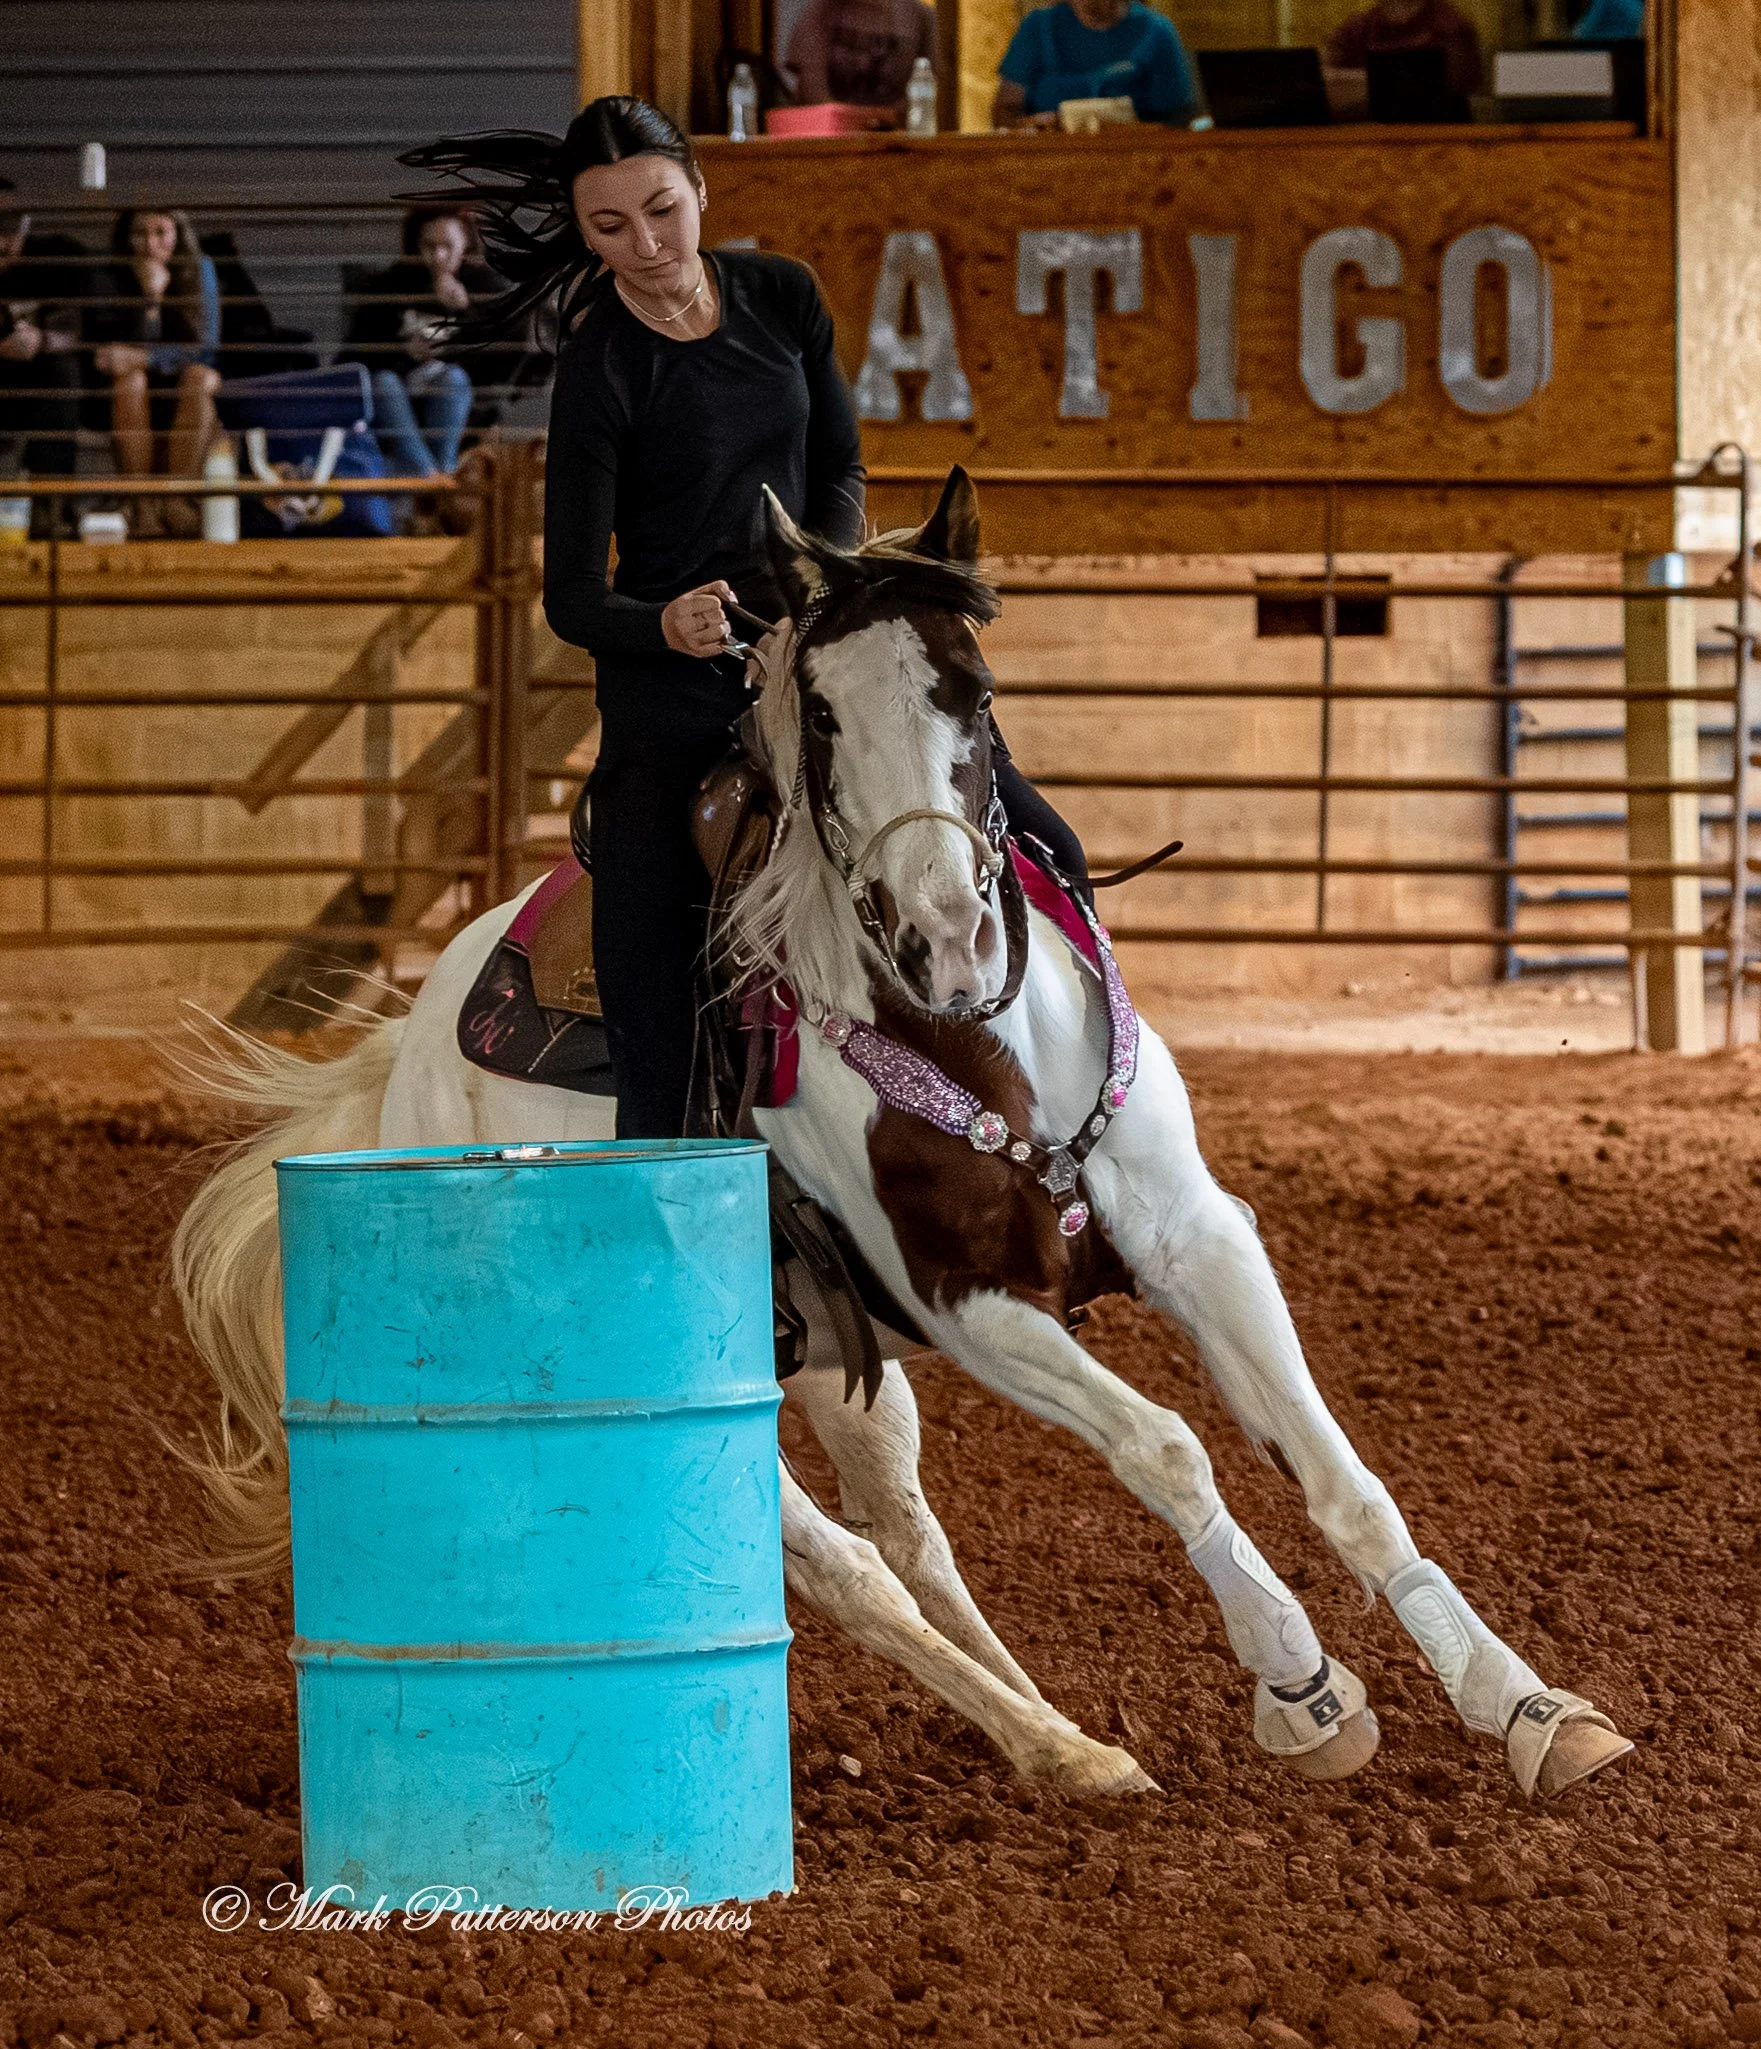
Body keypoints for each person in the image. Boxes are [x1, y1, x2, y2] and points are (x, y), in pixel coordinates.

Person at [401, 96, 1089, 1140]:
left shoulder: (781, 295)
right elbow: (574, 598)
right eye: (609, 228)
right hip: (675, 691)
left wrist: (824, 589)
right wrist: (664, 623)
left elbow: (842, 465)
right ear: (585, 233)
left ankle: (1100, 1104)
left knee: (1052, 840)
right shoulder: (598, 365)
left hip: (822, 644)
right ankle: (663, 1175)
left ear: (701, 191)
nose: (647, 246)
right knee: (653, 982)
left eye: (662, 210)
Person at [337, 207, 511, 478]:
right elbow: (354, 355)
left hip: (454, 392)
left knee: (452, 379)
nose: (439, 256)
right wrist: (404, 353)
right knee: (384, 382)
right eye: (430, 246)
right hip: (399, 389)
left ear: (464, 245)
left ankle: (437, 471)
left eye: (447, 246)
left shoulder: (483, 285)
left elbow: (503, 356)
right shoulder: (392, 284)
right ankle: (433, 477)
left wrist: (466, 311)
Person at [92, 208, 221, 529]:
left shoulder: (199, 269)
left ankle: (177, 499)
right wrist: (151, 300)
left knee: (200, 377)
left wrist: (146, 358)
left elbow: (204, 348)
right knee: (130, 380)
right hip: (131, 393)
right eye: (140, 234)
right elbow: (110, 354)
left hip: (184, 384)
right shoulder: (112, 275)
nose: (151, 245)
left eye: (160, 232)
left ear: (177, 234)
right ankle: (142, 504)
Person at [0, 196, 90, 503]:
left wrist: (42, 340)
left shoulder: (59, 257)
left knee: (64, 371)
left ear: (24, 227)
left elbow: (85, 333)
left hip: (41, 385)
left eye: (8, 229)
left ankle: (49, 507)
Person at [993, 0, 1199, 127]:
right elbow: (1006, 110)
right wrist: (1032, 128)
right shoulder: (1038, 27)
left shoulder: (1156, 32)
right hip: (1050, 163)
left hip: (1133, 163)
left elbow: (1179, 118)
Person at [786, 0, 935, 119]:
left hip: (895, 143)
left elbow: (930, 87)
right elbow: (812, 90)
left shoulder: (920, 16)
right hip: (826, 142)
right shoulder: (821, 10)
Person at [1324, 0, 1484, 100]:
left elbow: (1440, 89)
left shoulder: (1450, 26)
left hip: (1435, 140)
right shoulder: (1359, 27)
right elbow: (1324, 81)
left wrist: (1360, 85)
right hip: (1365, 139)